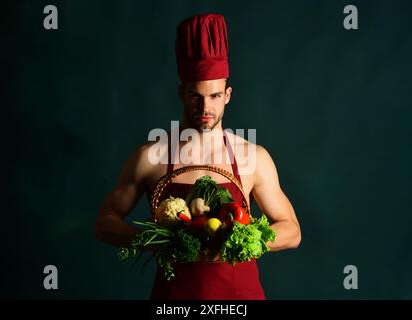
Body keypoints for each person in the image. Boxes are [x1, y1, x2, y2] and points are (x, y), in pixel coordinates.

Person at [95, 13, 301, 300]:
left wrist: (242, 243)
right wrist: (158, 242)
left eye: (215, 96)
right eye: (196, 96)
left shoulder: (252, 157)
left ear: (228, 95)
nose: (206, 107)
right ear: (182, 93)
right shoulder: (150, 158)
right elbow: (105, 222)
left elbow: (291, 231)